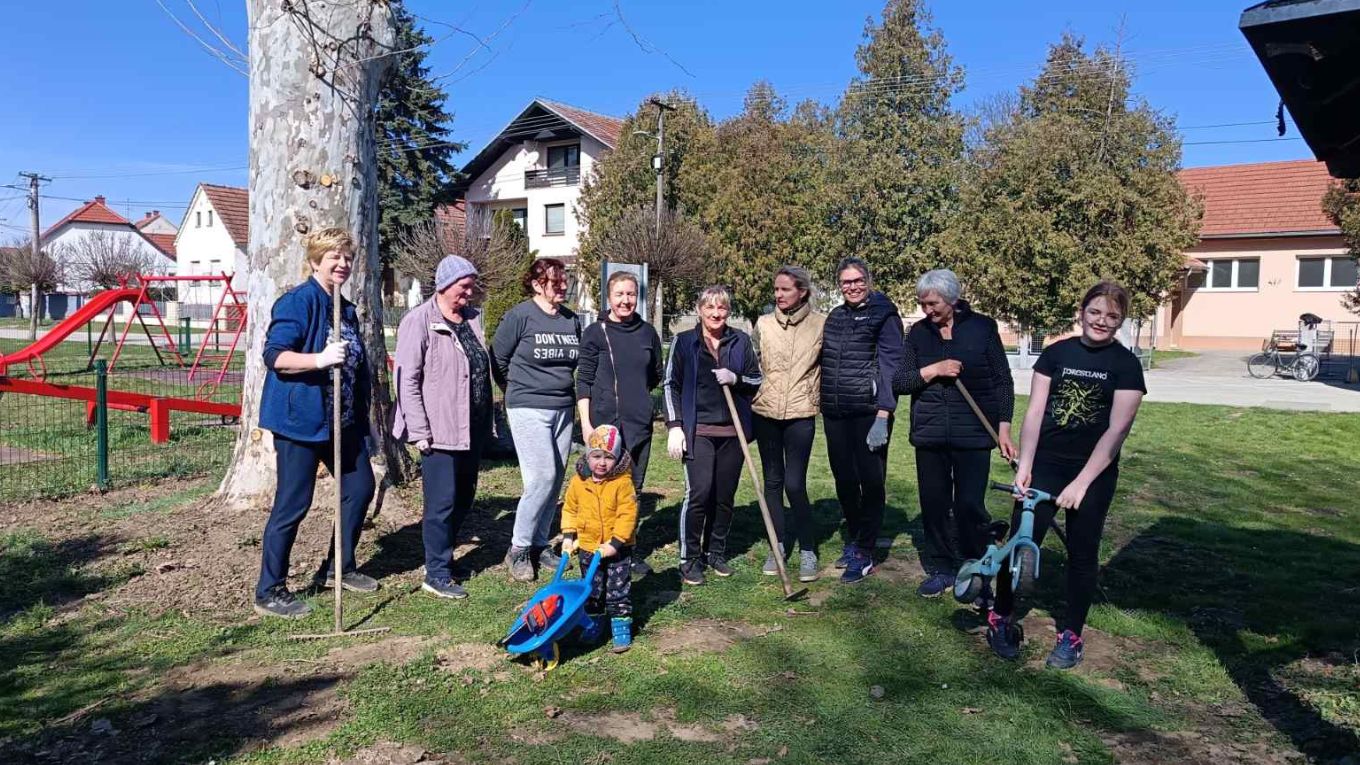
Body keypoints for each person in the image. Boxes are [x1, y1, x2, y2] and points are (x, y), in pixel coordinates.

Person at [986, 281, 1146, 670]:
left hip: (1093, 471)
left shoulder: (1126, 365)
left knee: (1082, 552)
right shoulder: (1055, 355)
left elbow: (1116, 430)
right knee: (1021, 541)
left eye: (1112, 316)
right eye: (1095, 312)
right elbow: (1036, 412)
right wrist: (1025, 466)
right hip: (1045, 464)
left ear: (1120, 320)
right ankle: (1001, 616)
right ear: (1082, 312)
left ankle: (1071, 633)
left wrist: (1082, 482)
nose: (1101, 321)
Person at [253, 227, 376, 619]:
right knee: (294, 503)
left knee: (359, 488)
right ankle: (269, 589)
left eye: (347, 257)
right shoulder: (298, 302)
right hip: (301, 422)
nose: (342, 264)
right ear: (315, 261)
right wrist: (320, 359)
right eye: (333, 257)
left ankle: (337, 567)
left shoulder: (346, 307)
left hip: (342, 420)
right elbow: (275, 356)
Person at [894, 269, 1016, 600]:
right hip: (930, 434)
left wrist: (1004, 425)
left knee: (969, 505)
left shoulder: (982, 328)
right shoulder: (918, 334)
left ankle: (975, 569)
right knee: (934, 504)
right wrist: (934, 370)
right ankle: (941, 567)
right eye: (922, 304)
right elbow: (900, 382)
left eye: (933, 303)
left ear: (952, 299)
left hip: (974, 434)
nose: (927, 311)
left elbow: (1003, 381)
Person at [392, 255, 492, 600]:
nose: (470, 292)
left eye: (471, 286)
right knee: (441, 502)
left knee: (464, 497)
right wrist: (418, 430)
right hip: (438, 428)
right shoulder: (418, 321)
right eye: (464, 286)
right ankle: (435, 572)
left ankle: (445, 559)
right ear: (444, 285)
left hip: (472, 427)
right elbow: (406, 380)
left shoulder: (473, 319)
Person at [663, 285, 762, 586]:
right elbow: (670, 385)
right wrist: (675, 426)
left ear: (728, 311)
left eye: (722, 308)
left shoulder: (740, 341)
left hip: (733, 432)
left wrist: (736, 378)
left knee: (724, 496)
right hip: (698, 431)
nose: (716, 313)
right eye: (710, 308)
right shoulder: (684, 342)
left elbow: (756, 379)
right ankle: (689, 558)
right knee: (700, 493)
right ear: (700, 309)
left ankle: (715, 552)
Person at [492, 257, 581, 582]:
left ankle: (541, 543)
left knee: (556, 477)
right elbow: (498, 359)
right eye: (555, 281)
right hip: (527, 406)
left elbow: (575, 363)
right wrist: (515, 391)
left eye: (564, 280)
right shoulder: (519, 317)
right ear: (536, 284)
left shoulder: (571, 320)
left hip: (562, 407)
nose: (562, 286)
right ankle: (517, 548)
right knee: (541, 477)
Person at [819, 257, 904, 585]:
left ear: (868, 280)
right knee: (844, 480)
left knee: (870, 481)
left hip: (869, 413)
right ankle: (855, 538)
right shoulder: (836, 316)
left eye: (857, 281)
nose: (852, 286)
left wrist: (884, 414)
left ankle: (866, 551)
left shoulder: (884, 315)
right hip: (836, 411)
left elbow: (891, 365)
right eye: (845, 282)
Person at [751, 266, 825, 583]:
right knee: (772, 482)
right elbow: (751, 363)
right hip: (765, 412)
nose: (778, 295)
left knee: (795, 484)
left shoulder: (821, 324)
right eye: (776, 289)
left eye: (785, 289)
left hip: (801, 412)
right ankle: (777, 545)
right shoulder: (764, 324)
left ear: (802, 291)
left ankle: (808, 549)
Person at [576, 270, 664, 494]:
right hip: (604, 424)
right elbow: (583, 381)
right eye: (619, 294)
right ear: (609, 298)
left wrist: (637, 398)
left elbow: (656, 374)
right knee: (600, 487)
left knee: (633, 488)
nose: (626, 300)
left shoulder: (648, 333)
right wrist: (586, 425)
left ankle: (627, 530)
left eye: (631, 294)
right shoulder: (595, 333)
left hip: (639, 424)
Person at [561, 425, 639, 653]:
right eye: (596, 456)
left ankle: (620, 625)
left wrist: (616, 543)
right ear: (587, 456)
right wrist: (568, 536)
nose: (601, 463)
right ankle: (594, 621)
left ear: (617, 458)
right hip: (588, 545)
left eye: (608, 457)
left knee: (617, 588)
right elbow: (570, 508)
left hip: (617, 548)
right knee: (591, 588)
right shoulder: (579, 481)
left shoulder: (622, 483)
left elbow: (628, 514)